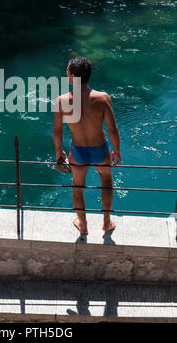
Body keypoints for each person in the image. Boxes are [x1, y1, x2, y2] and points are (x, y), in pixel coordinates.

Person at [53, 56, 121, 235]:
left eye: (67, 71)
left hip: (79, 151)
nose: (66, 73)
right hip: (100, 148)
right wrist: (117, 151)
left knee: (78, 188)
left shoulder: (62, 101)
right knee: (106, 183)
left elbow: (58, 132)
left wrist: (59, 152)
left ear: (73, 76)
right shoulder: (103, 98)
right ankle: (106, 223)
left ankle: (83, 225)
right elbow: (112, 129)